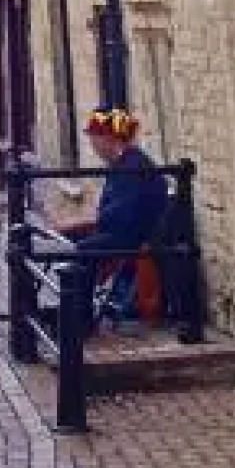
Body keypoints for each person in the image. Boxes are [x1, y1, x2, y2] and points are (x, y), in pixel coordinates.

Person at [56, 107, 170, 325]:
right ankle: (73, 310)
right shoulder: (125, 163)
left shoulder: (133, 166)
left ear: (110, 139)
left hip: (136, 236)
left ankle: (79, 319)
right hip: (126, 230)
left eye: (95, 139)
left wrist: (82, 223)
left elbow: (122, 215)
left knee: (83, 249)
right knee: (75, 242)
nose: (93, 146)